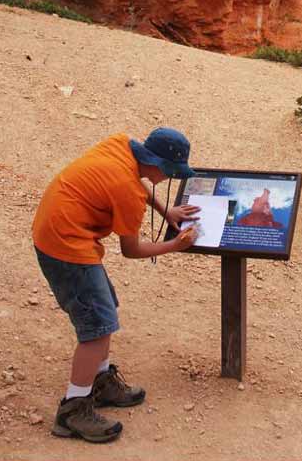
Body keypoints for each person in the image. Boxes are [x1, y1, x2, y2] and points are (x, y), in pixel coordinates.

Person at [32, 127, 201, 444]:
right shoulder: (127, 190)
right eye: (170, 173)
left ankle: (101, 381)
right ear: (158, 165)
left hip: (57, 227)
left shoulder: (121, 146)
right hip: (65, 245)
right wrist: (175, 246)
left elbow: (138, 182)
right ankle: (73, 410)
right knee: (96, 328)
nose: (168, 179)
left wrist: (167, 211)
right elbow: (131, 249)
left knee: (105, 309)